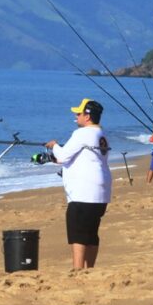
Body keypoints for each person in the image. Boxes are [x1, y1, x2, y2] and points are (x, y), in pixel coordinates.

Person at [45, 98, 111, 270]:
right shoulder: (101, 134)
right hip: (101, 192)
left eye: (79, 113)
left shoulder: (82, 133)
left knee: (78, 233)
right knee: (91, 232)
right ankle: (90, 269)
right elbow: (81, 158)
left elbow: (63, 156)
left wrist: (54, 145)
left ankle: (77, 269)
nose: (76, 116)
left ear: (87, 116)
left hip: (84, 192)